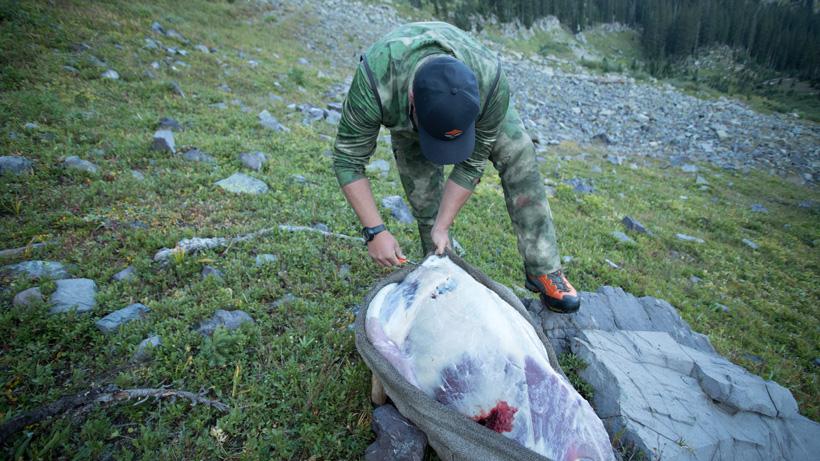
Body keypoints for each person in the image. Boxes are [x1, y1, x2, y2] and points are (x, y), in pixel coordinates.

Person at [332, 22, 580, 314]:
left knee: (519, 155)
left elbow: (472, 163)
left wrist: (444, 224)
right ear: (412, 100)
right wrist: (375, 231)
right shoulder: (376, 79)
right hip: (402, 102)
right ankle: (437, 261)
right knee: (423, 193)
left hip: (477, 103)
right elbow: (349, 159)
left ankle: (544, 268)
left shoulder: (489, 80)